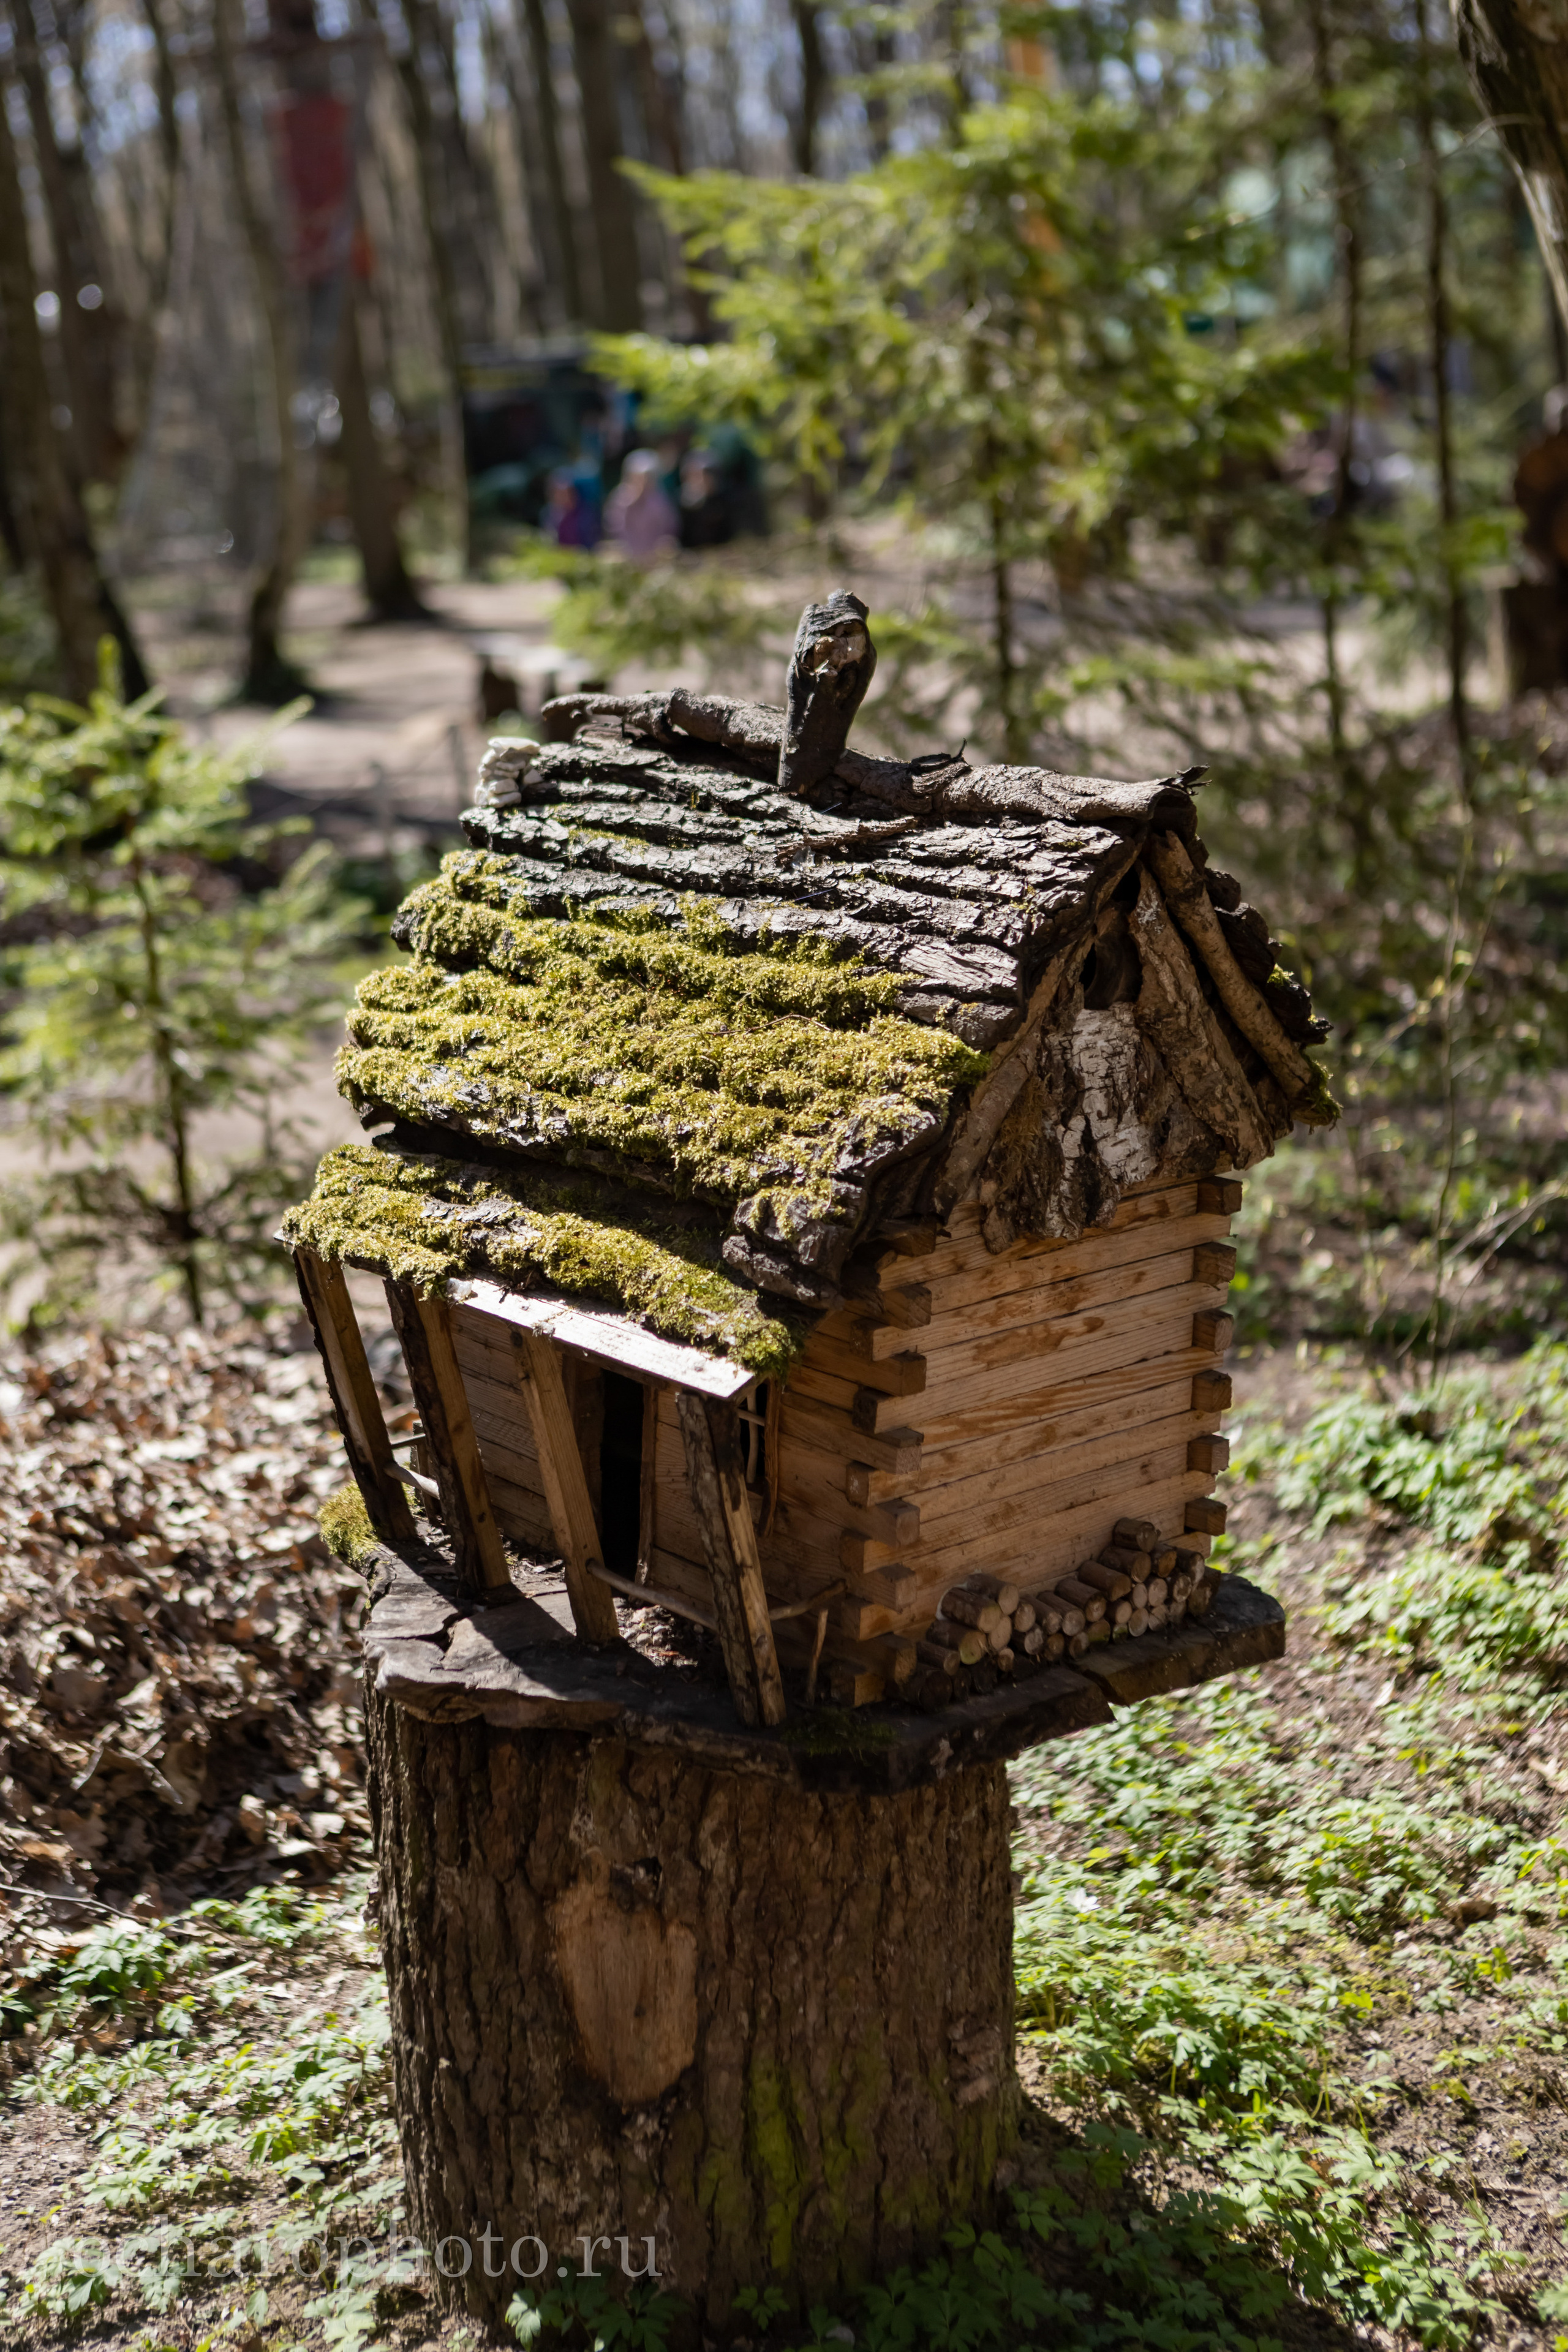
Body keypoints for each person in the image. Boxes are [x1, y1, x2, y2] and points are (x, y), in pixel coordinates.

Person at [606, 448, 679, 560]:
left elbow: (669, 527)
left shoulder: (659, 498)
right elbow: (614, 527)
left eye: (647, 477)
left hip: (655, 558)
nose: (643, 481)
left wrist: (665, 544)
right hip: (628, 556)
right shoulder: (621, 498)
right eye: (639, 477)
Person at [544, 469, 599, 549]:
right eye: (557, 493)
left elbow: (591, 542)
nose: (561, 497)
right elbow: (550, 541)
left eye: (565, 493)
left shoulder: (586, 513)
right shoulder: (549, 513)